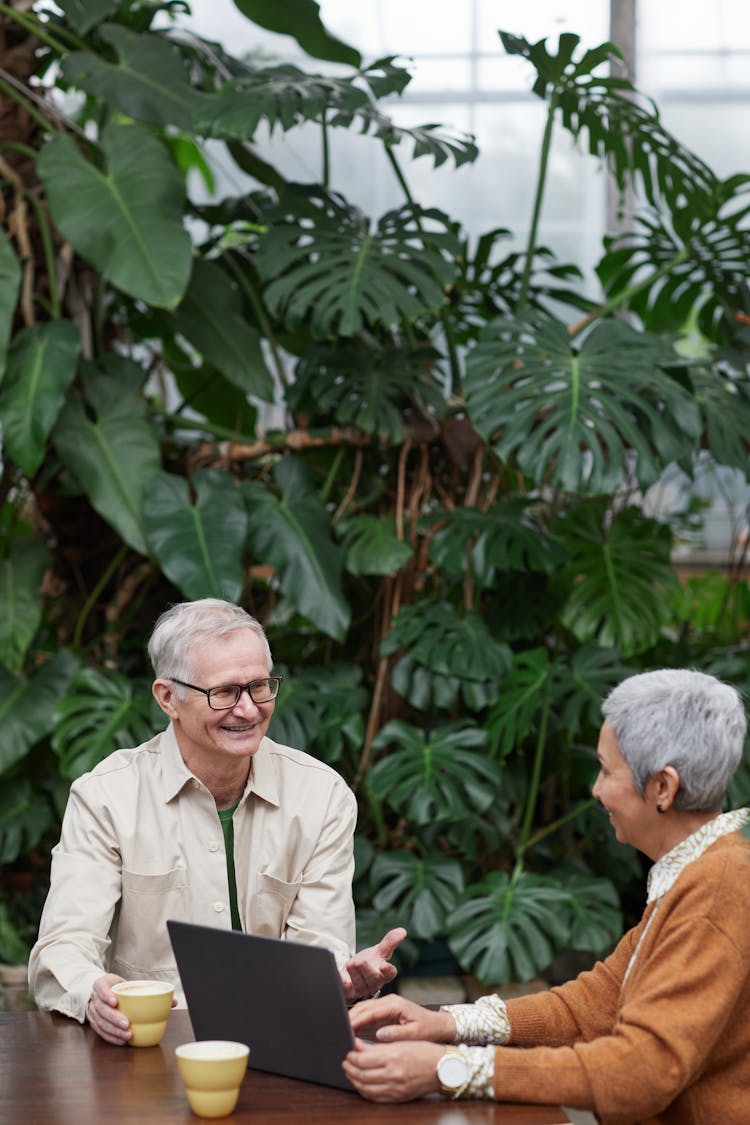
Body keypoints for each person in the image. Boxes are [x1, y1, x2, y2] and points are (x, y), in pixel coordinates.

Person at [344, 668, 750, 1123]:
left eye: (606, 769)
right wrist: (449, 1023)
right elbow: (596, 1002)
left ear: (662, 788)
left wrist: (451, 1069)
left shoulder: (720, 888)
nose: (596, 790)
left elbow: (639, 1072)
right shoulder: (704, 867)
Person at [29, 598, 405, 1044]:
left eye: (259, 687)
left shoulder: (321, 796)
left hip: (281, 1040)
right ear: (168, 697)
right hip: (148, 1046)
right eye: (224, 692)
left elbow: (319, 947)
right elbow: (63, 946)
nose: (248, 710)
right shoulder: (106, 796)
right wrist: (93, 992)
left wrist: (339, 982)